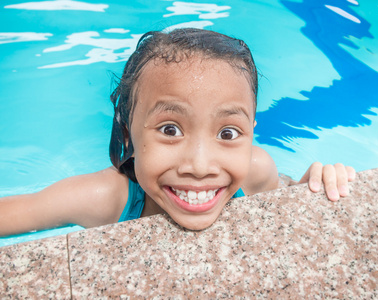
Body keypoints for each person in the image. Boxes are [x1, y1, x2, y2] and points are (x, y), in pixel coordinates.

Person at [0, 28, 355, 236]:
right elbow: (16, 213)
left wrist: (313, 183)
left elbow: (287, 189)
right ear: (128, 132)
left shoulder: (257, 170)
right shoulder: (101, 197)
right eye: (170, 129)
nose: (200, 166)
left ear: (251, 132)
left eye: (228, 133)